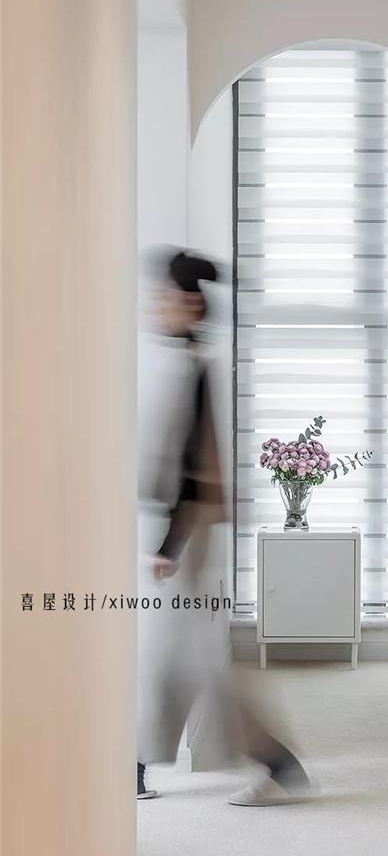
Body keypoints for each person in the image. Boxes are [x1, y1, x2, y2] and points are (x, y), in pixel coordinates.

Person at [137, 248, 313, 806]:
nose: (156, 306)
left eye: (164, 296)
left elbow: (192, 469)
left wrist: (168, 546)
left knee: (195, 662)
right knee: (172, 658)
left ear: (190, 304)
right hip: (179, 535)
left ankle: (276, 763)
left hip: (184, 538)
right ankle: (136, 765)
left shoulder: (190, 369)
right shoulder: (181, 363)